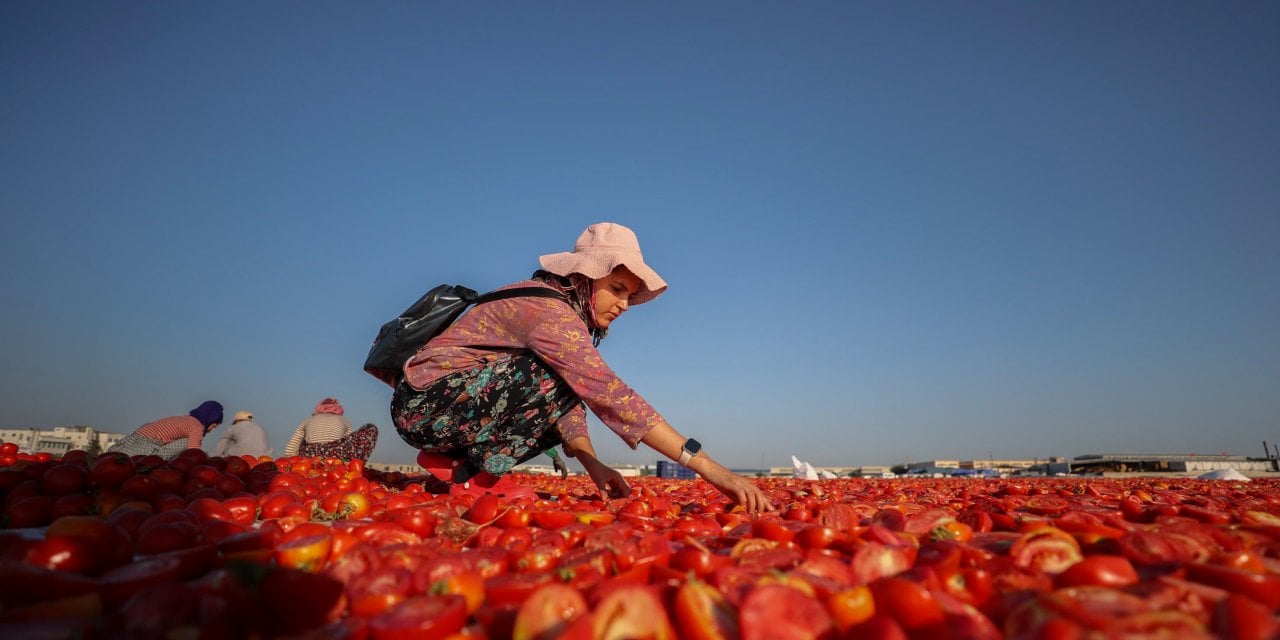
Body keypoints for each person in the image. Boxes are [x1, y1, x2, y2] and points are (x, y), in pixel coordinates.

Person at [392, 222, 774, 512]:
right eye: (618, 288)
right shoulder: (551, 315)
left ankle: (456, 465)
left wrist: (594, 465)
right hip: (426, 406)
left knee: (563, 377)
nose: (624, 305)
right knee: (570, 377)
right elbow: (607, 392)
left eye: (629, 294)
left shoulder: (560, 313)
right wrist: (707, 467)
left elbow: (568, 404)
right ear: (584, 276)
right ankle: (472, 477)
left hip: (441, 406)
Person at [108, 401, 223, 460]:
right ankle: (157, 459)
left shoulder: (185, 419)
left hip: (131, 442)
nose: (212, 430)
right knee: (186, 442)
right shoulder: (197, 426)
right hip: (145, 450)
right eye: (214, 426)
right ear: (210, 420)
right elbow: (193, 452)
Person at [283, 398, 378, 462]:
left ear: (318, 409)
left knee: (303, 440)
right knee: (370, 428)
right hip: (335, 455)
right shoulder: (344, 420)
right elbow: (348, 444)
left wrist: (293, 463)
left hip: (310, 456)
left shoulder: (307, 420)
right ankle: (352, 464)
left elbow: (290, 450)